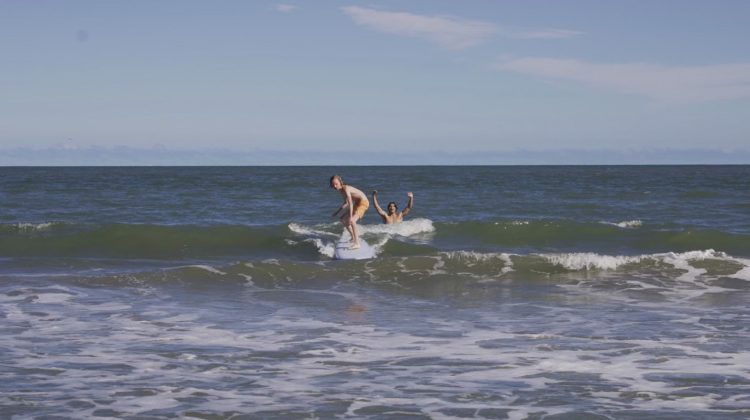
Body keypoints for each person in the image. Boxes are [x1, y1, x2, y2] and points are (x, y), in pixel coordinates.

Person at [330, 175, 369, 249]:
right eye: (333, 185)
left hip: (364, 203)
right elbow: (346, 203)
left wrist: (351, 216)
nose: (335, 186)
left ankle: (357, 243)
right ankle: (353, 237)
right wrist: (337, 212)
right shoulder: (341, 191)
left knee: (352, 221)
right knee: (342, 219)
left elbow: (350, 203)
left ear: (340, 182)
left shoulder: (346, 188)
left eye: (336, 184)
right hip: (357, 203)